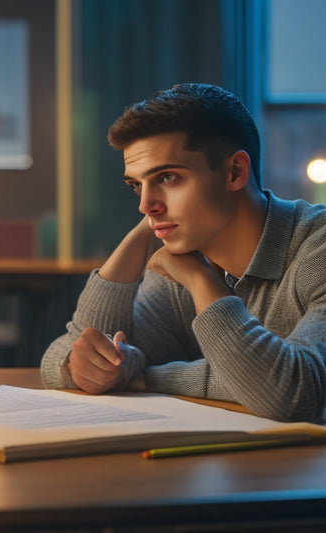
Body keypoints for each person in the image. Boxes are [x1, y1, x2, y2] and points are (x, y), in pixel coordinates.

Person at [40, 83, 326, 423]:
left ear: (235, 172)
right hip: (246, 470)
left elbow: (293, 392)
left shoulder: (315, 247)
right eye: (136, 185)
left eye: (168, 177)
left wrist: (148, 375)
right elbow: (70, 356)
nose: (146, 205)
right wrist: (140, 236)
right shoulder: (183, 260)